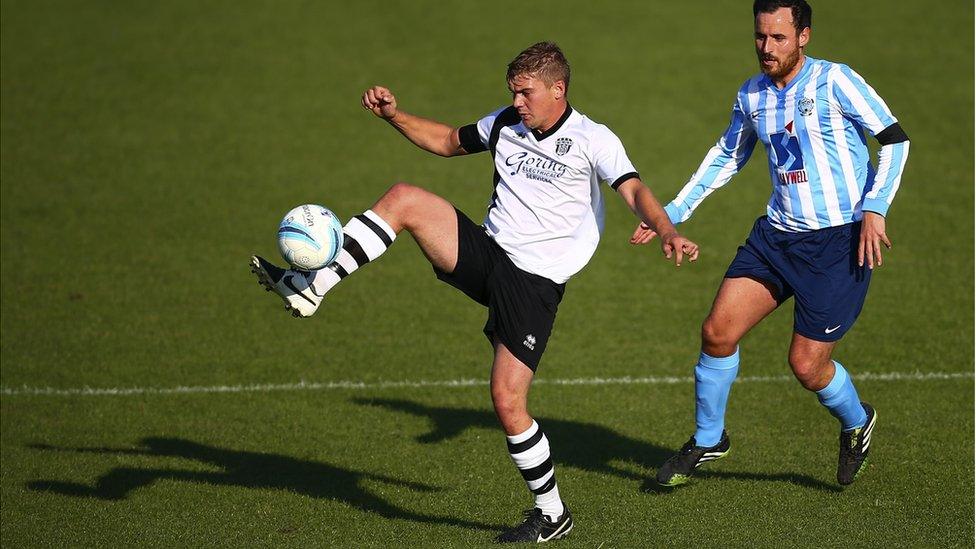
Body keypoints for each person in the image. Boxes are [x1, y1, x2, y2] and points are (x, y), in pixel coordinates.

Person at [250, 42, 699, 542]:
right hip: (489, 255)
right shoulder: (508, 122)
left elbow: (633, 189)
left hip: (534, 283)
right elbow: (446, 140)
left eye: (526, 93)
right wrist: (394, 116)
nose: (519, 102)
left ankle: (552, 515)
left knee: (508, 401)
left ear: (558, 88)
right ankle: (315, 284)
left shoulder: (593, 139)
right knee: (404, 199)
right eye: (514, 93)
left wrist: (665, 228)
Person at [633, 0, 909, 487]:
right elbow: (727, 156)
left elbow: (894, 139)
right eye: (760, 36)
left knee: (806, 365)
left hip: (838, 243)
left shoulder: (835, 81)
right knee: (718, 331)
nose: (766, 47)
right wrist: (672, 213)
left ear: (803, 36)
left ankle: (856, 420)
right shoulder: (752, 94)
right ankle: (708, 437)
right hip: (776, 237)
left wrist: (876, 205)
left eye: (778, 38)